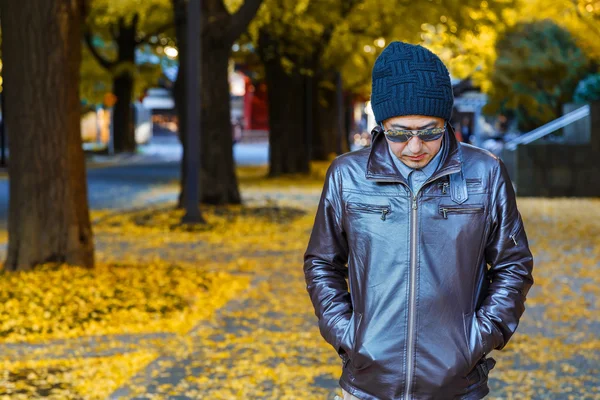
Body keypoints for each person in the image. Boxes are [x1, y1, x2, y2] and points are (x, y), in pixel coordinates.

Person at [303, 41, 534, 400]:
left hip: (457, 387)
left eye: (429, 131)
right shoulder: (346, 176)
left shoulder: (486, 173)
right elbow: (321, 262)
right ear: (381, 124)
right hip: (367, 387)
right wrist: (348, 334)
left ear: (446, 121)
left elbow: (513, 265)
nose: (414, 147)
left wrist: (477, 338)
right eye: (399, 133)